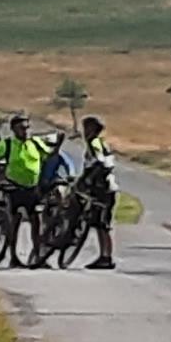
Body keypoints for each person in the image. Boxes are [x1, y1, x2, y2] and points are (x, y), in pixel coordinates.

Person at [0, 114, 45, 268]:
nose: (25, 131)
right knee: (13, 222)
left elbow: (50, 152)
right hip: (13, 186)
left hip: (32, 188)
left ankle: (38, 256)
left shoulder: (35, 143)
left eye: (27, 127)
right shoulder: (8, 144)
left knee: (36, 222)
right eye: (21, 128)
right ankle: (13, 257)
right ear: (14, 129)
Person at [73, 115, 119, 268]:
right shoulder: (102, 143)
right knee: (100, 224)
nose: (84, 132)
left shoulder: (95, 143)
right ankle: (104, 255)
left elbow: (99, 163)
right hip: (106, 188)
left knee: (103, 223)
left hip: (103, 189)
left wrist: (86, 180)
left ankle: (107, 256)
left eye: (87, 128)